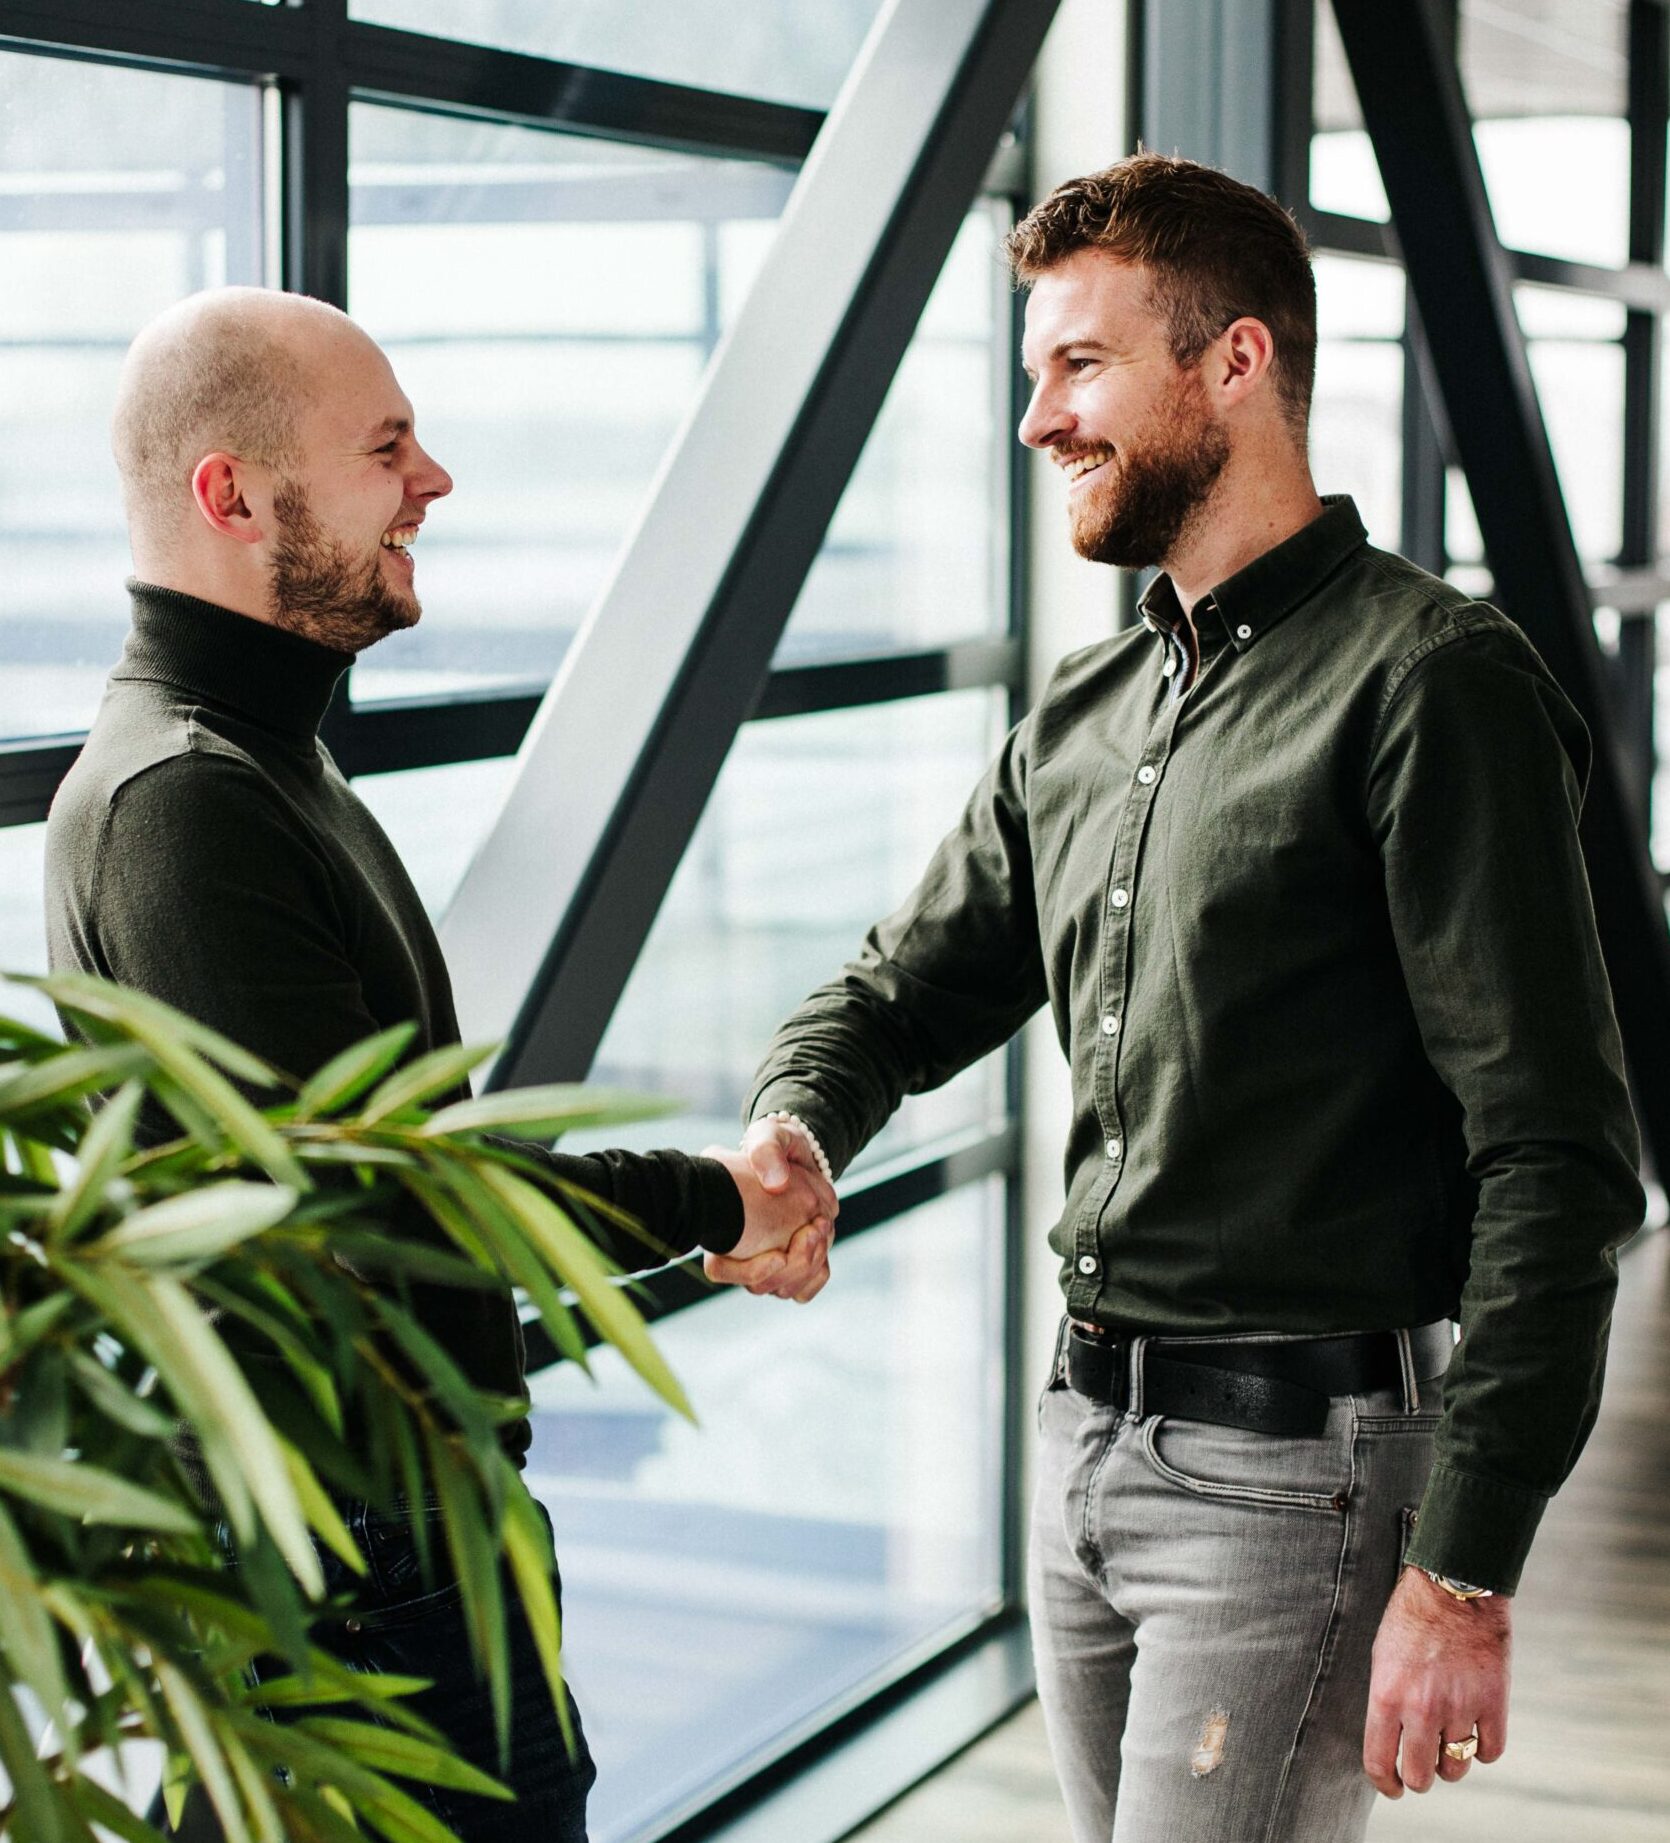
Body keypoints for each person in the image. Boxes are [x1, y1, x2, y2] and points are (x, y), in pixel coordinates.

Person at [710, 153, 1644, 1841]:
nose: (1036, 423)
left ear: (1237, 364)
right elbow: (898, 991)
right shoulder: (1081, 713)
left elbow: (1553, 1151)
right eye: (1030, 374)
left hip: (1296, 1476)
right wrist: (794, 1123)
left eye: (1079, 366)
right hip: (1077, 1446)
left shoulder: (1431, 686)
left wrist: (1464, 1567)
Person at [44, 286, 834, 1841]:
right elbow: (387, 1218)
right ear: (232, 493)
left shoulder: (264, 761)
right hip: (358, 1597)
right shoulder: (184, 805)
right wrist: (709, 1195)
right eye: (386, 446)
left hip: (409, 1561)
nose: (436, 481)